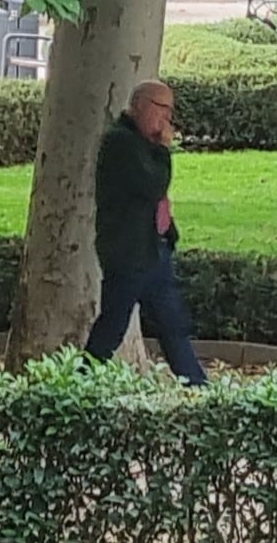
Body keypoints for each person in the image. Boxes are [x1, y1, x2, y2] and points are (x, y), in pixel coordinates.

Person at [88, 78, 210, 385]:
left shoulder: (143, 143)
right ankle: (78, 381)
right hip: (129, 253)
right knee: (111, 328)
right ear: (141, 106)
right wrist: (164, 150)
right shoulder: (120, 143)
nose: (166, 120)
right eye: (162, 110)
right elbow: (152, 185)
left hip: (154, 251)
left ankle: (199, 386)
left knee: (173, 326)